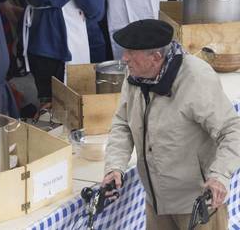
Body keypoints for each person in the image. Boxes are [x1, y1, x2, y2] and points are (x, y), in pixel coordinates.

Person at [102, 19, 240, 229]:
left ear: (156, 57)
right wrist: (114, 166)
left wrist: (220, 176)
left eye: (131, 52)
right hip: (156, 203)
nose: (124, 58)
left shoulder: (196, 79)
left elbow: (232, 130)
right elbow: (122, 122)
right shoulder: (136, 76)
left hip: (197, 205)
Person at [22, 0, 106, 108]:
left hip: (37, 33)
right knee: (74, 108)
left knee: (48, 107)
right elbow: (93, 4)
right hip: (62, 36)